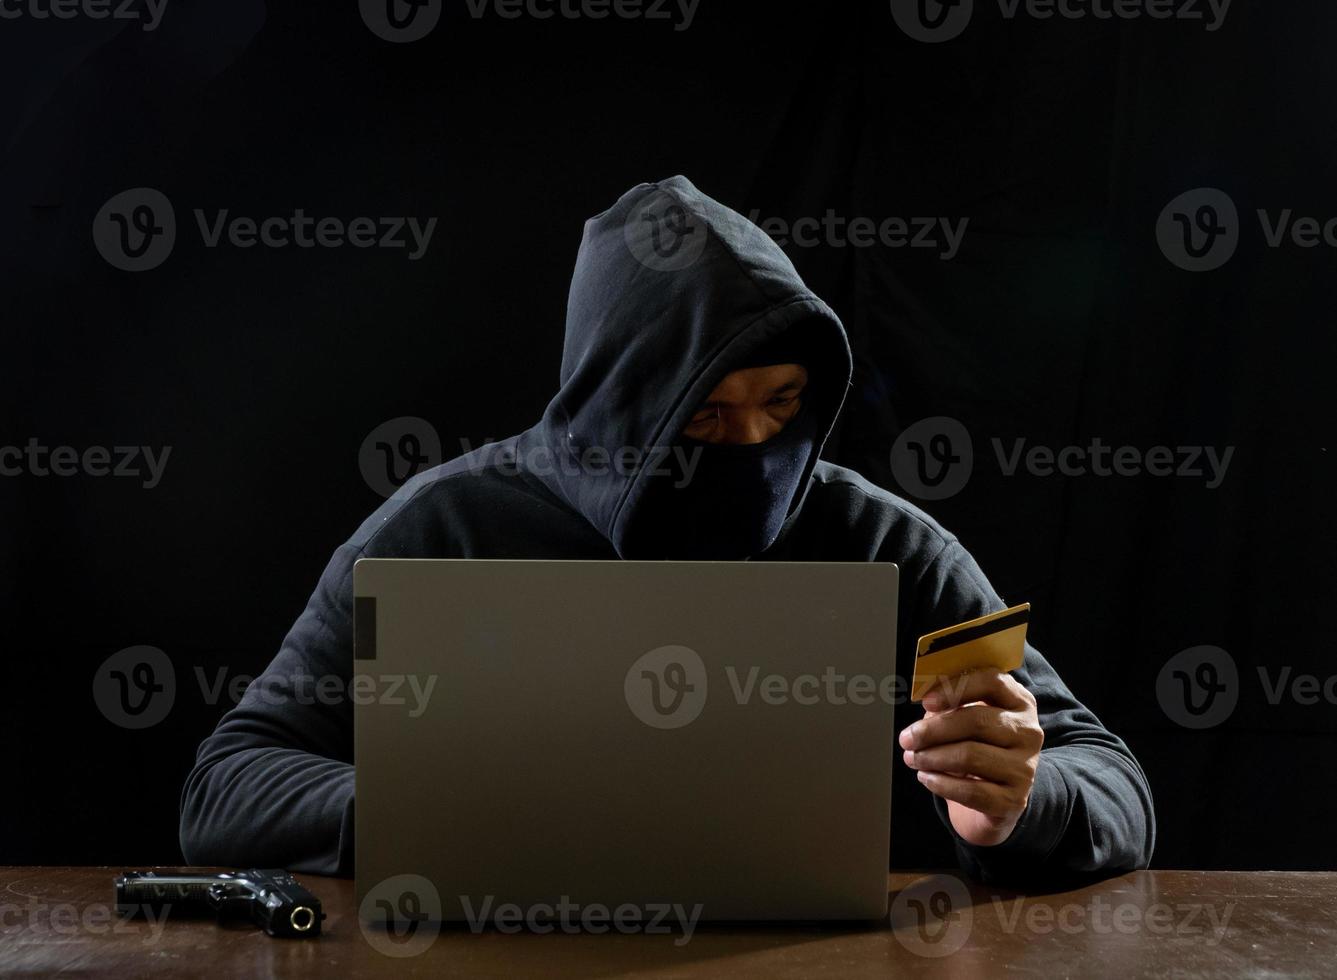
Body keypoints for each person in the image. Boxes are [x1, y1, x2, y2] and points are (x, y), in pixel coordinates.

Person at [180, 176, 1154, 885]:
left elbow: (1108, 777)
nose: (753, 444)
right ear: (614, 403)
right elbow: (229, 782)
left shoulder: (884, 546)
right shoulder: (438, 531)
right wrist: (414, 814)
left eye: (781, 404)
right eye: (703, 415)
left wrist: (1018, 800)